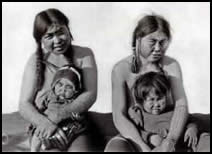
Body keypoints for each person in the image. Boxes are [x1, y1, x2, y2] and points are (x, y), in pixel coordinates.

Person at [105, 14, 189, 152]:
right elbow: (119, 116)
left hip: (167, 132)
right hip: (135, 134)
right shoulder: (121, 69)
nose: (158, 48)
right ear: (138, 39)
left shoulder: (171, 66)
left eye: (163, 42)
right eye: (152, 41)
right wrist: (142, 145)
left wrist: (170, 141)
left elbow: (181, 105)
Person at [19, 8, 97, 152]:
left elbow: (90, 93)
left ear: (68, 29)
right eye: (49, 36)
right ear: (40, 39)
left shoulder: (84, 54)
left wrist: (59, 116)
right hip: (43, 125)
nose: (57, 40)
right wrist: (47, 124)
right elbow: (24, 104)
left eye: (61, 32)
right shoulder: (35, 61)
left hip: (75, 124)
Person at [128, 72, 199, 152]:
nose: (156, 104)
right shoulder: (139, 114)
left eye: (160, 99)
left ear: (166, 96)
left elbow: (192, 120)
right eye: (151, 100)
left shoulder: (174, 111)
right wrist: (149, 137)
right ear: (142, 100)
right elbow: (133, 131)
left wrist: (192, 129)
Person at [30, 65, 87, 152]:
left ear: (75, 91)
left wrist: (77, 116)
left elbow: (80, 117)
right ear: (54, 85)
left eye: (68, 87)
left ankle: (50, 146)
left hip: (63, 131)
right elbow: (40, 108)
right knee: (37, 135)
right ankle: (34, 150)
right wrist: (39, 119)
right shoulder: (49, 96)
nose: (63, 89)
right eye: (60, 84)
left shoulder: (74, 103)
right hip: (46, 123)